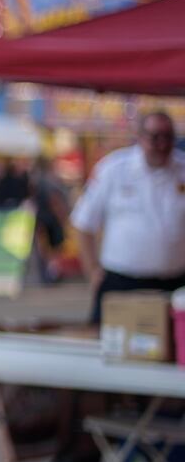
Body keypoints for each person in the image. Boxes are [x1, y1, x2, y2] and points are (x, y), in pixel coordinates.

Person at [70, 111, 185, 324]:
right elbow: (83, 223)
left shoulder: (182, 169)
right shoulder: (114, 169)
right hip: (122, 283)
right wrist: (93, 272)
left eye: (168, 137)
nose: (162, 144)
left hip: (175, 284)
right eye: (154, 137)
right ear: (140, 136)